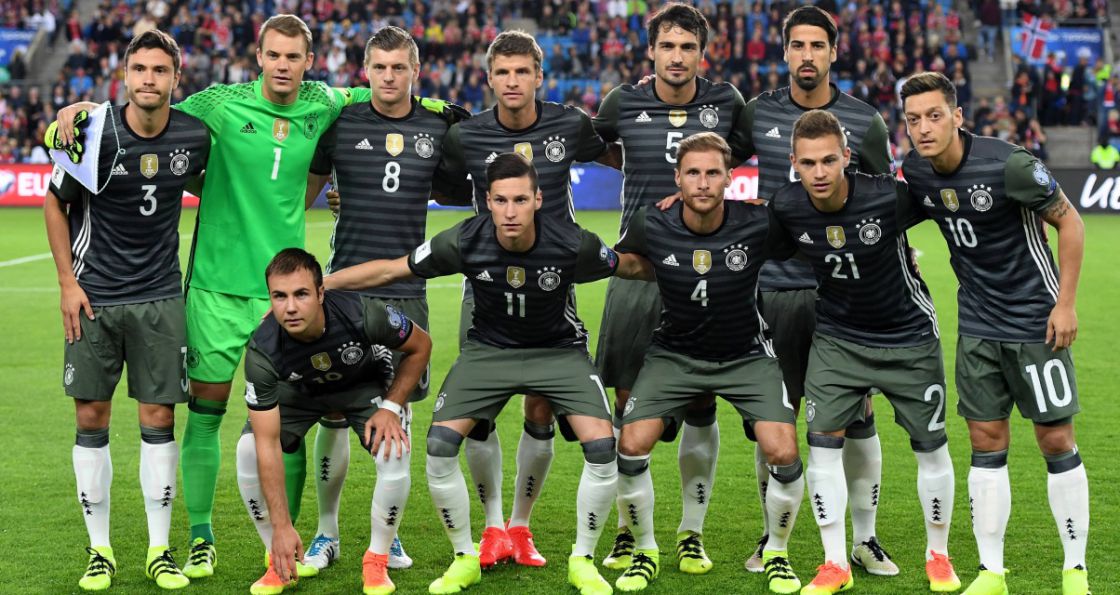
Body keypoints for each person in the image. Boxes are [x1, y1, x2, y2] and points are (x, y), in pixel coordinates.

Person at [325, 153, 651, 595]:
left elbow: (631, 265)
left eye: (520, 199)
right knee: (440, 447)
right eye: (500, 200)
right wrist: (322, 285)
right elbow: (392, 268)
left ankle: (583, 559)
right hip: (488, 351)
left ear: (538, 199)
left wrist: (685, 260)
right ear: (488, 202)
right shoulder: (463, 240)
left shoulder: (572, 242)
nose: (510, 211)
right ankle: (465, 556)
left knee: (601, 446)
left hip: (558, 351)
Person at [901, 72, 1090, 595]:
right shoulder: (915, 173)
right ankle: (991, 572)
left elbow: (1070, 223)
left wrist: (1065, 304)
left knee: (1055, 439)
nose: (923, 127)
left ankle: (1075, 570)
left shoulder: (1009, 164)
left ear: (958, 116)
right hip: (978, 327)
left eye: (934, 115)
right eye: (913, 119)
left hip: (1035, 322)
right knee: (985, 441)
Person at [42, 30, 210, 591]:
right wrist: (67, 283)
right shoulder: (93, 133)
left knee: (158, 420)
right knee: (91, 419)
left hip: (160, 297)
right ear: (125, 74)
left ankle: (159, 550)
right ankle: (101, 550)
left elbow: (207, 184)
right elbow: (55, 201)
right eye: (139, 68)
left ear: (175, 79)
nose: (148, 79)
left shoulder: (193, 134)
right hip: (94, 296)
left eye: (159, 70)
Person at [437, 30, 609, 569]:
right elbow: (442, 187)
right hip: (485, 283)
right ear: (489, 79)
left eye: (522, 72)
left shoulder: (570, 125)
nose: (513, 82)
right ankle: (491, 529)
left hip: (556, 284)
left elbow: (624, 154)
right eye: (502, 73)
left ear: (539, 76)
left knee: (542, 406)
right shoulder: (467, 136)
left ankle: (520, 525)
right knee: (478, 414)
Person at [590, 3, 753, 574]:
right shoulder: (621, 103)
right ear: (651, 51)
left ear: (700, 53)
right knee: (626, 405)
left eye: (687, 46)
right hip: (638, 270)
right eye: (667, 46)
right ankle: (629, 530)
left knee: (701, 400)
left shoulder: (727, 102)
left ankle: (690, 531)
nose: (677, 56)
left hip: (707, 272)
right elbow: (599, 148)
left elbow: (745, 156)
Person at [299, 25, 467, 573]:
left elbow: (453, 188)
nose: (389, 76)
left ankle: (386, 534)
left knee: (397, 415)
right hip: (342, 286)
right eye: (380, 67)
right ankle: (326, 533)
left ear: (416, 72)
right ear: (364, 70)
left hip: (406, 290)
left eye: (400, 67)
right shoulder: (341, 122)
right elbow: (307, 188)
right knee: (332, 412)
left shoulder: (438, 126)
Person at [769, 110, 959, 594]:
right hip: (837, 338)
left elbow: (951, 200)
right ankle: (836, 562)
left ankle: (938, 554)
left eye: (829, 160)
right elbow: (743, 229)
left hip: (909, 337)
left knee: (931, 450)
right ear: (794, 163)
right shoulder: (788, 205)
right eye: (808, 163)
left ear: (846, 158)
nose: (819, 172)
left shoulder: (887, 196)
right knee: (823, 446)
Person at [736, 6, 896, 575]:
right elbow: (708, 167)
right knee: (775, 419)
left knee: (857, 415)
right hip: (773, 290)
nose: (807, 55)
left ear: (833, 52)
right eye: (797, 46)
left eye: (817, 46)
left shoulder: (865, 121)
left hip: (845, 292)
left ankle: (865, 538)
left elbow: (890, 194)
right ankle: (772, 539)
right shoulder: (757, 114)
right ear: (785, 53)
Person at [611, 132, 805, 595]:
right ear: (677, 178)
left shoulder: (758, 221)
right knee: (632, 444)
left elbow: (812, 239)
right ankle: (646, 549)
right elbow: (625, 260)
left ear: (730, 178)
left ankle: (776, 552)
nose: (703, 182)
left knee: (783, 450)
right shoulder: (651, 222)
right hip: (674, 353)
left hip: (746, 354)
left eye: (712, 172)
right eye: (693, 173)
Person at [236, 248, 431, 595]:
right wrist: (281, 526)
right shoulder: (262, 351)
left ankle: (377, 559)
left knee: (394, 448)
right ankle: (278, 559)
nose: (290, 307)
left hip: (362, 384)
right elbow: (267, 442)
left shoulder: (361, 313)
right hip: (301, 391)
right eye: (279, 296)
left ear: (321, 293)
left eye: (301, 294)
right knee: (248, 450)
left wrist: (391, 405)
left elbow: (421, 345)